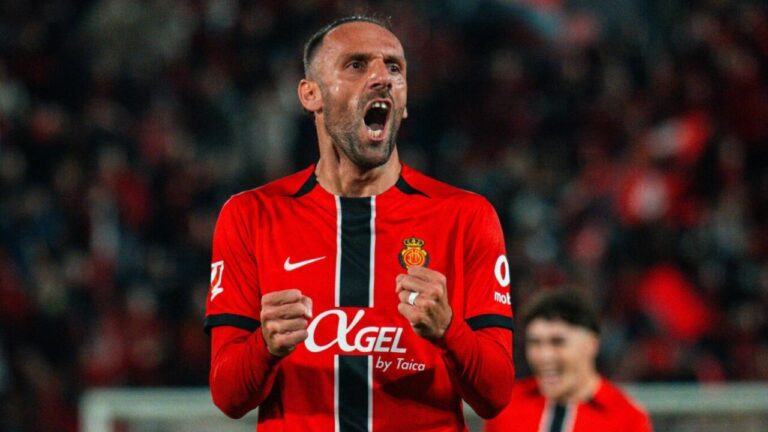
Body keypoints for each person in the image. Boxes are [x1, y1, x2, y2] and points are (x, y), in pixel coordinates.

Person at [204, 15, 515, 431]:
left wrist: (448, 331)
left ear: (403, 104)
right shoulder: (251, 215)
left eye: (394, 67)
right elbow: (228, 397)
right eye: (356, 65)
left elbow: (495, 396)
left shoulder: (466, 216)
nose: (382, 78)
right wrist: (265, 346)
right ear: (310, 94)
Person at [484, 289, 653, 432]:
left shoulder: (627, 420)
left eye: (557, 342)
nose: (544, 356)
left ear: (591, 344)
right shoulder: (506, 407)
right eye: (535, 343)